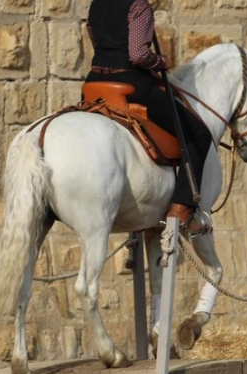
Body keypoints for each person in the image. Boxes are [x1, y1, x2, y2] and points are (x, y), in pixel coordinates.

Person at [85, 0, 213, 234]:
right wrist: (161, 61)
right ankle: (182, 209)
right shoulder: (138, 6)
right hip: (129, 83)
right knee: (198, 134)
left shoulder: (96, 4)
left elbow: (94, 36)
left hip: (95, 82)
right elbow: (138, 55)